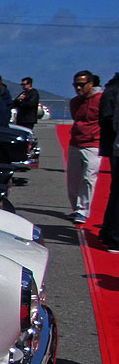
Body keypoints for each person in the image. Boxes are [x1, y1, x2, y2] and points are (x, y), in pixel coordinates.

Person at [67, 70, 103, 225]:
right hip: (76, 143)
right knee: (73, 180)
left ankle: (83, 210)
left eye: (82, 85)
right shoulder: (74, 102)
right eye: (76, 85)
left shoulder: (101, 100)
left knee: (88, 178)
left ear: (91, 84)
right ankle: (76, 208)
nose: (78, 88)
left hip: (93, 144)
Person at [98, 72, 119, 250]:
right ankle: (113, 236)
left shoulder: (112, 89)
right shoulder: (114, 91)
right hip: (116, 146)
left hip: (115, 146)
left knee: (115, 193)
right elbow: (111, 120)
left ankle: (108, 232)